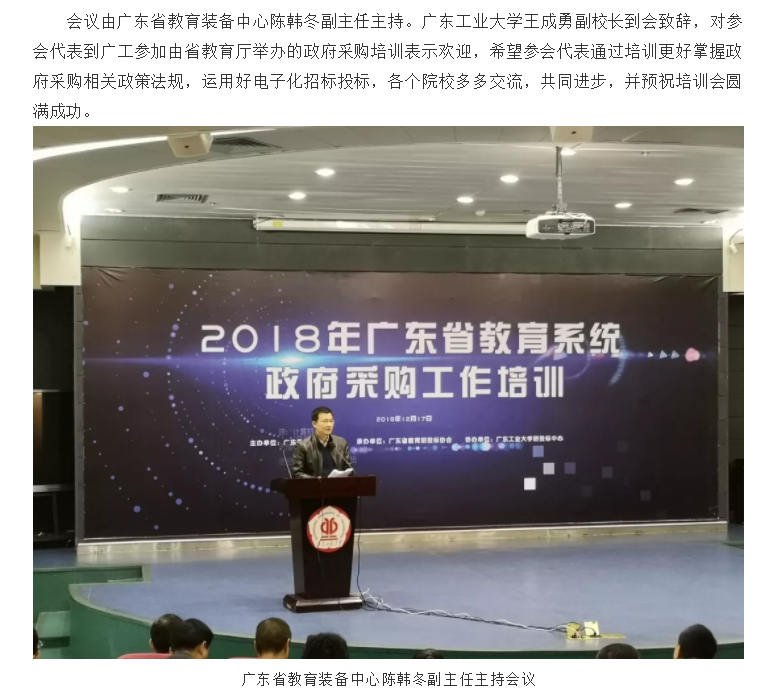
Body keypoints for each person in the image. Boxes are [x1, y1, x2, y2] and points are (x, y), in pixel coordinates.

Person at [292, 407, 354, 479]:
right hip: (314, 485)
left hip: (338, 485)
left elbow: (349, 469)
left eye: (331, 421)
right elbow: (297, 474)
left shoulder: (341, 443)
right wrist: (317, 480)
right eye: (325, 421)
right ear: (314, 424)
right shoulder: (303, 446)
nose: (329, 424)